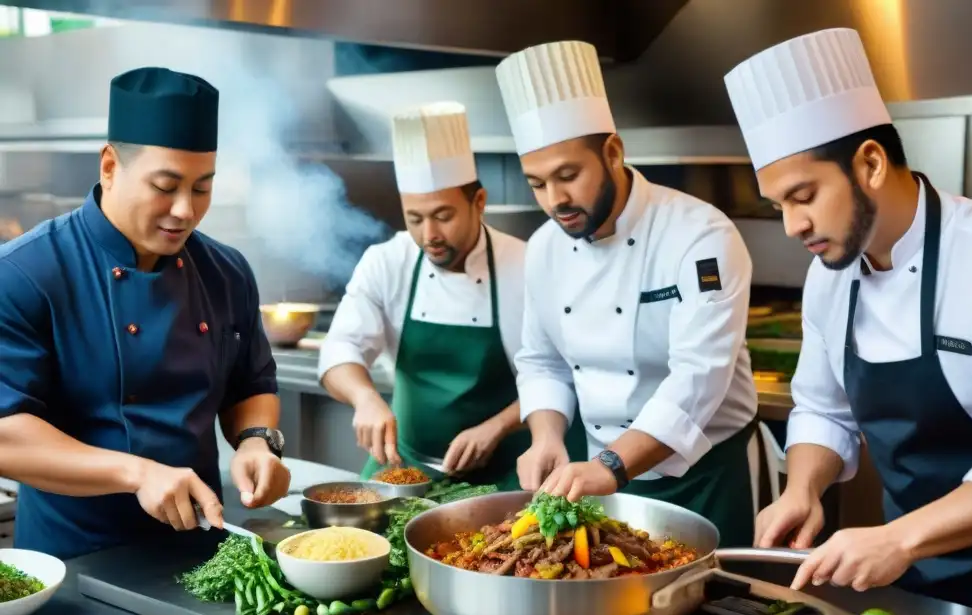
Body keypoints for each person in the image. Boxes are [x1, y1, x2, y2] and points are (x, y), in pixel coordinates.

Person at [724, 28, 972, 615]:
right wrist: (802, 488)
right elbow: (821, 406)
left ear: (870, 163)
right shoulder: (831, 272)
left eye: (803, 195)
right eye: (778, 205)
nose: (791, 225)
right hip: (911, 578)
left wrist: (897, 539)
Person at [0, 67, 291, 560]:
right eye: (166, 185)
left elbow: (251, 383)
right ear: (110, 166)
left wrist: (257, 441)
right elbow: (7, 435)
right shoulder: (26, 274)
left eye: (202, 189)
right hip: (75, 560)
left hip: (203, 551)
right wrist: (137, 472)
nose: (185, 211)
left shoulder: (227, 271)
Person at [495, 41, 760, 547]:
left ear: (613, 153)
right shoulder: (546, 248)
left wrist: (614, 464)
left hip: (704, 478)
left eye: (568, 175)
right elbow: (542, 361)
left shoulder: (699, 235)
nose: (555, 200)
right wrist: (547, 436)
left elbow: (698, 377)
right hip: (602, 476)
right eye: (537, 184)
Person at [319, 103, 567, 490]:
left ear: (479, 203)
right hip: (403, 465)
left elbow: (558, 373)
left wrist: (496, 428)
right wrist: (364, 397)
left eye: (443, 215)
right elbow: (340, 350)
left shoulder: (527, 264)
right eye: (415, 218)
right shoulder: (387, 261)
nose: (429, 234)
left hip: (509, 471)